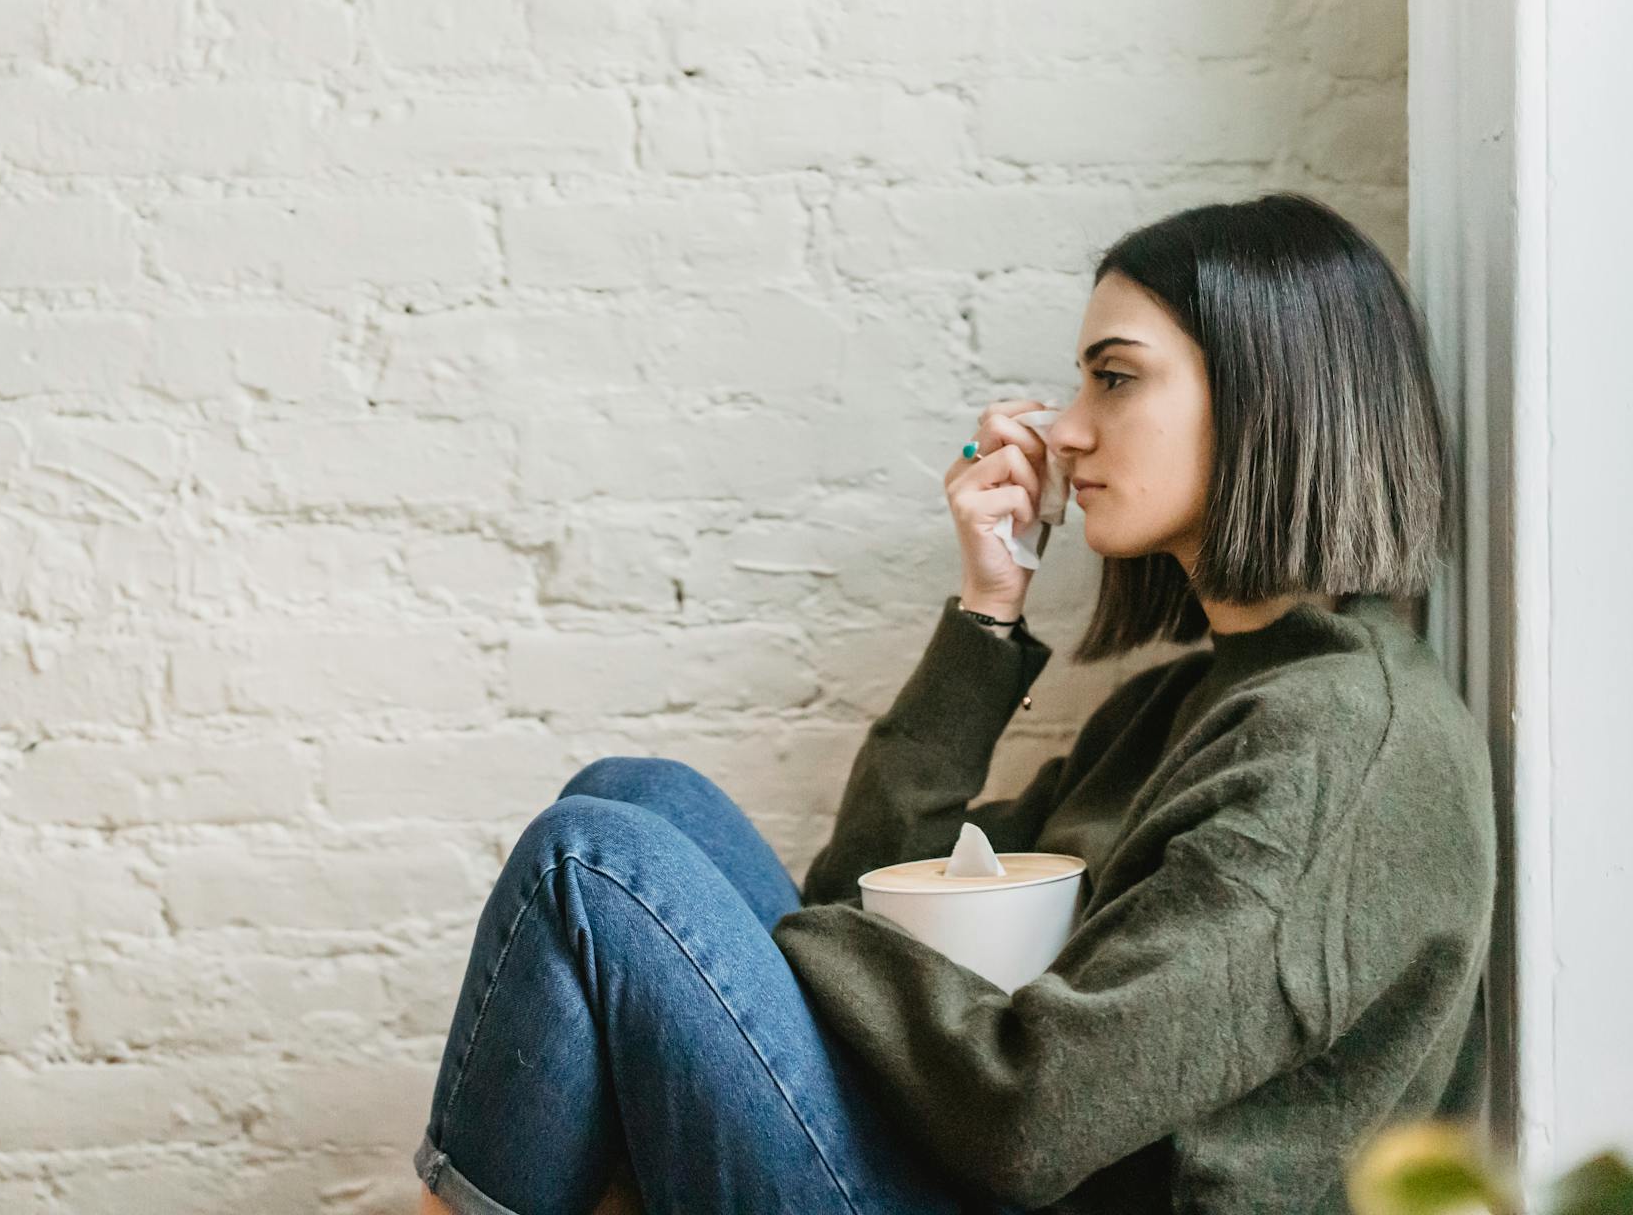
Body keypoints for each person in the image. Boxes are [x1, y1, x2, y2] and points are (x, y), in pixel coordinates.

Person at [414, 192, 1496, 1214]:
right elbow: (870, 898)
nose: (1068, 431)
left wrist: (799, 943)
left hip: (1012, 1178)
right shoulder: (1183, 704)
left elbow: (1033, 1108)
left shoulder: (1343, 743)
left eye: (1114, 379)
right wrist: (989, 610)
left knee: (592, 861)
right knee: (637, 798)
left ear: (1270, 396)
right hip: (971, 1171)